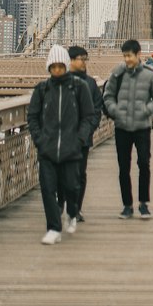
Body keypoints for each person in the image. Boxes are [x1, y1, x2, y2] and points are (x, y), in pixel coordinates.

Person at [27, 44, 94, 244]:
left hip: (71, 148)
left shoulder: (78, 88)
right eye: (53, 67)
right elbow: (32, 117)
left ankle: (72, 213)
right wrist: (39, 140)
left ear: (65, 66)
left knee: (72, 187)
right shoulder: (42, 89)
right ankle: (53, 228)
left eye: (60, 66)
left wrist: (79, 139)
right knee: (48, 189)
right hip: (47, 149)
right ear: (49, 68)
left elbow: (88, 116)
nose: (57, 70)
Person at [103, 37, 153, 217]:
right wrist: (115, 111)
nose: (127, 60)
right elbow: (107, 96)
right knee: (124, 167)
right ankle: (127, 205)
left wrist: (147, 110)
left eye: (130, 56)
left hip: (142, 126)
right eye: (125, 56)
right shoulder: (117, 73)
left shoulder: (150, 74)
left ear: (138, 55)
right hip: (122, 126)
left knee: (144, 164)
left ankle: (143, 203)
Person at [67, 45, 103, 222]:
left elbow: (97, 109)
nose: (84, 63)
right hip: (63, 138)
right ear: (71, 61)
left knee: (80, 174)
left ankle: (76, 209)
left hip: (82, 138)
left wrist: (88, 130)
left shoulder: (90, 83)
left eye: (85, 59)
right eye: (82, 59)